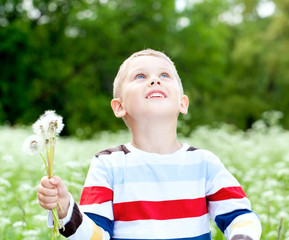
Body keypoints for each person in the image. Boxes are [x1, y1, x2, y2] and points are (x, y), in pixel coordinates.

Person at [37, 49, 262, 240]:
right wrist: (65, 208)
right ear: (119, 106)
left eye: (164, 75)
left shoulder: (204, 163)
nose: (155, 80)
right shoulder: (108, 165)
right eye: (140, 76)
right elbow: (97, 235)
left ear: (182, 103)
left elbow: (240, 216)